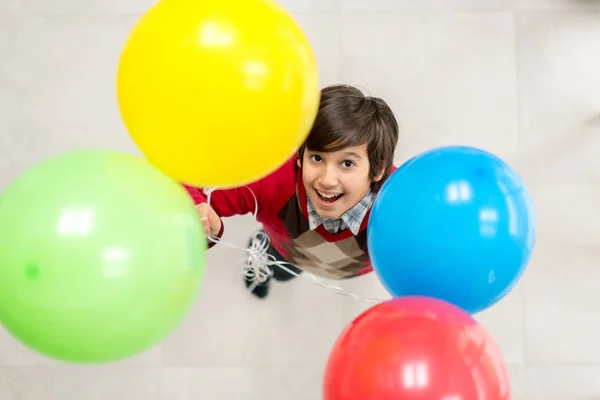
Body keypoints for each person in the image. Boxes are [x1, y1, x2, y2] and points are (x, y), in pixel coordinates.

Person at [183, 84, 399, 299]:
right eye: (316, 158)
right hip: (286, 252)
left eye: (348, 163)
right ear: (299, 155)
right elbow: (185, 181)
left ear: (378, 169)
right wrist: (198, 210)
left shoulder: (401, 202)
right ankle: (261, 252)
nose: (327, 180)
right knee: (281, 271)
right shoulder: (272, 177)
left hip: (351, 268)